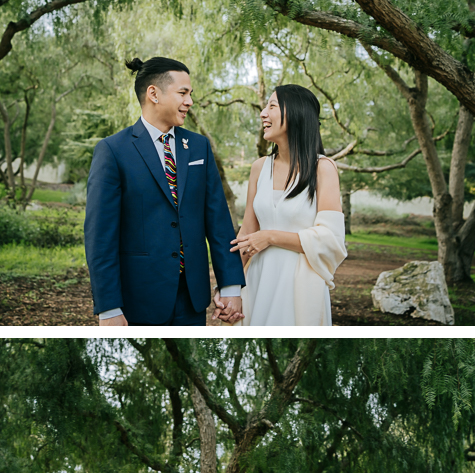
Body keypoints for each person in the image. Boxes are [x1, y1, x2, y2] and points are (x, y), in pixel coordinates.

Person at [84, 56, 246, 327]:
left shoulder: (199, 147)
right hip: (136, 300)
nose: (190, 101)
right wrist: (109, 307)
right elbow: (100, 236)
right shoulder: (113, 150)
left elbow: (218, 221)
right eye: (183, 93)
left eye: (190, 93)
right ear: (153, 94)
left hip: (192, 300)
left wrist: (230, 286)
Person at [226, 85, 347, 326]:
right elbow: (246, 233)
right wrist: (229, 288)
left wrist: (271, 237)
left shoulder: (323, 168)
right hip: (258, 278)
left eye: (271, 106)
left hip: (300, 285)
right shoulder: (259, 168)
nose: (262, 113)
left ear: (296, 113)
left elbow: (331, 239)